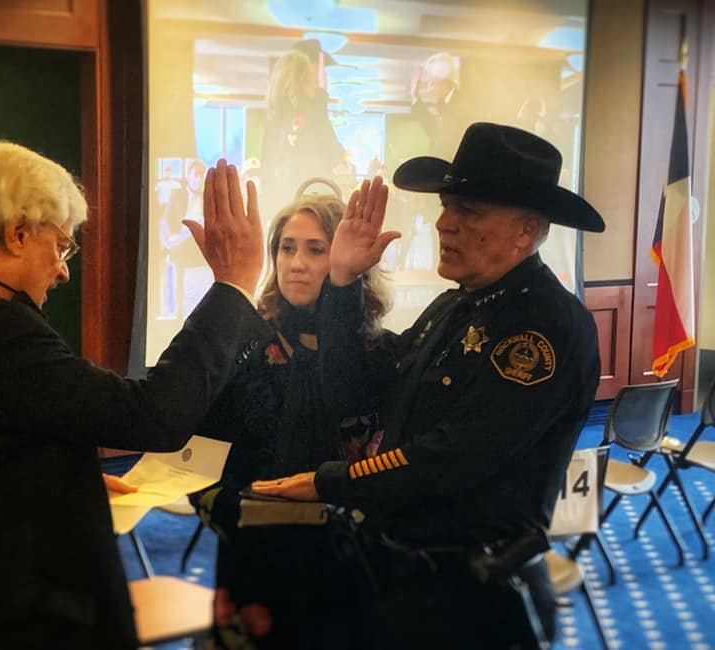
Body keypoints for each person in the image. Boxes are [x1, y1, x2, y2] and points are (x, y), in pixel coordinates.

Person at [0, 138, 269, 650]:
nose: (63, 269)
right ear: (17, 233)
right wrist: (234, 286)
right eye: (61, 245)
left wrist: (53, 476)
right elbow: (154, 416)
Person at [253, 122, 606, 648]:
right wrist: (344, 283)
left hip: (473, 595)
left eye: (469, 212)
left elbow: (453, 457)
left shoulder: (545, 328)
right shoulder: (460, 302)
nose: (443, 224)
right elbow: (356, 391)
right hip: (413, 575)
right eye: (446, 207)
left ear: (525, 231)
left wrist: (332, 480)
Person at [192, 193, 391, 649]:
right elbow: (198, 449)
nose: (296, 262)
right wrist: (225, 506)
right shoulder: (243, 340)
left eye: (316, 249)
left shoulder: (378, 352)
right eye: (286, 247)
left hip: (347, 556)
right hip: (256, 551)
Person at [259, 41, 345, 220]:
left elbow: (266, 170)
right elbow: (333, 153)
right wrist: (321, 97)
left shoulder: (274, 118)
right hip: (309, 210)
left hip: (280, 210)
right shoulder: (312, 112)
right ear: (305, 77)